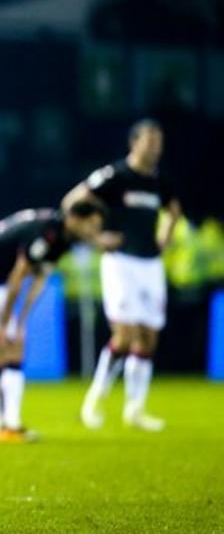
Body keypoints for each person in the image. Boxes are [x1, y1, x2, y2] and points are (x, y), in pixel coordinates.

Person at [65, 119, 184, 432]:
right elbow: (73, 200)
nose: (155, 149)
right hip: (121, 262)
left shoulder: (160, 181)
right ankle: (93, 402)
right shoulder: (116, 176)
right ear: (134, 143)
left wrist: (166, 237)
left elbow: (174, 210)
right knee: (125, 333)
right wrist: (96, 238)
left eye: (159, 143)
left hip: (150, 264)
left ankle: (135, 408)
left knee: (148, 338)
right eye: (149, 142)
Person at [0, 204, 105, 442]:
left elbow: (39, 279)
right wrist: (3, 324)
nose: (93, 231)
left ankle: (9, 424)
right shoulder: (45, 232)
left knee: (15, 341)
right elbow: (18, 277)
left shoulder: (62, 239)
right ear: (74, 219)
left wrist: (21, 321)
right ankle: (1, 424)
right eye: (90, 225)